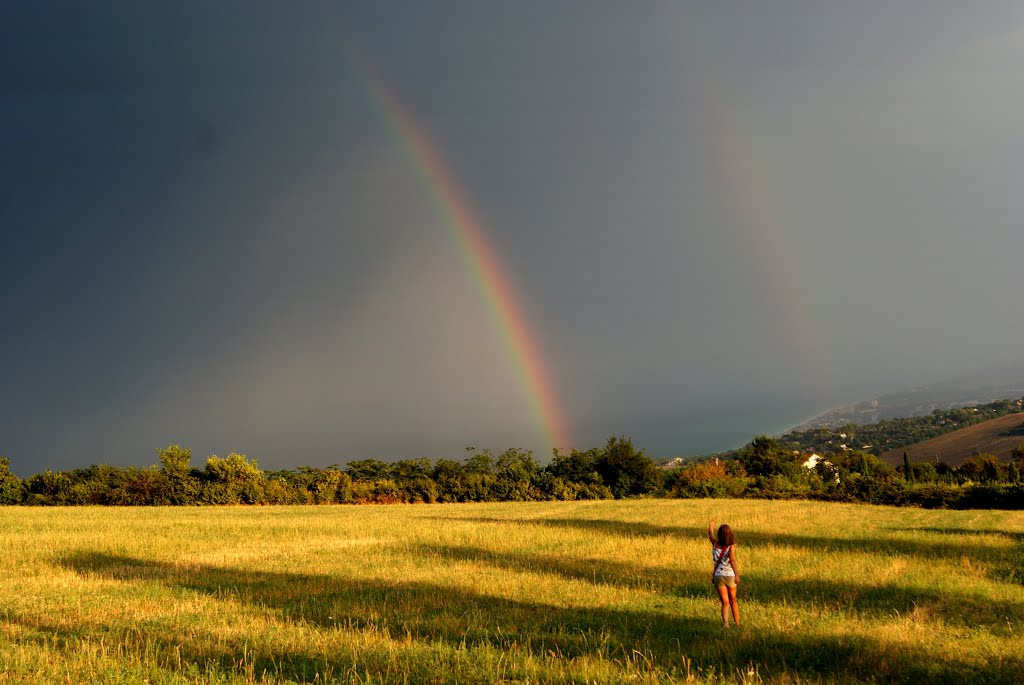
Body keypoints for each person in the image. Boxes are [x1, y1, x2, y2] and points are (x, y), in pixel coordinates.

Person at [708, 518, 740, 627]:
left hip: (718, 576)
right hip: (730, 575)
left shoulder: (715, 543)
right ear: (730, 534)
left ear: (720, 534)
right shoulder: (731, 546)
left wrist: (711, 526)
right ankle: (737, 623)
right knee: (733, 601)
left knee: (725, 602)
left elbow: (711, 536)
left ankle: (726, 623)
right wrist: (736, 574)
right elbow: (732, 560)